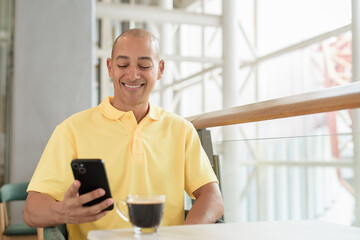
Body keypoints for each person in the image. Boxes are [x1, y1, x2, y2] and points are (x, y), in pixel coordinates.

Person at [24, 28, 224, 240]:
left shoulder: (181, 130)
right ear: (110, 68)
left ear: (160, 69)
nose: (132, 74)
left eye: (144, 65)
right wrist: (62, 211)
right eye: (122, 65)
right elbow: (31, 211)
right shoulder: (71, 130)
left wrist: (183, 235)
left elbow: (213, 197)